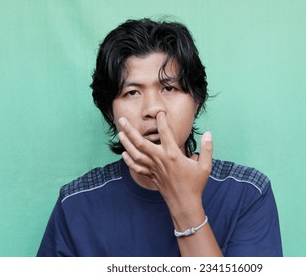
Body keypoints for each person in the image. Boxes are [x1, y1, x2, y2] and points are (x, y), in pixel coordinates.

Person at [37, 18, 283, 257]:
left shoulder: (247, 193)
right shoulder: (76, 204)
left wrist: (184, 202)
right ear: (109, 112)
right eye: (132, 92)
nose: (153, 108)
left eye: (169, 88)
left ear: (197, 100)